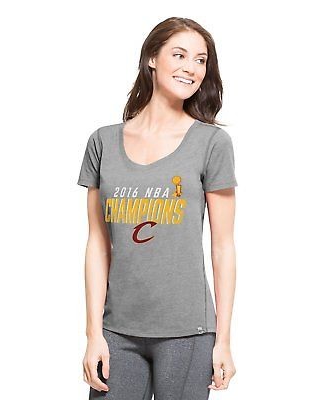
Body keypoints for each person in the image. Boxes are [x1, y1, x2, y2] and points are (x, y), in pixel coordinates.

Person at [77, 16, 238, 400]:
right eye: (179, 55)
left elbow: (223, 247)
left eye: (201, 60)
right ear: (152, 57)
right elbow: (98, 244)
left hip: (188, 333)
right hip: (117, 332)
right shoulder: (103, 143)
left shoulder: (211, 144)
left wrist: (224, 340)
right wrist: (94, 333)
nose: (191, 68)